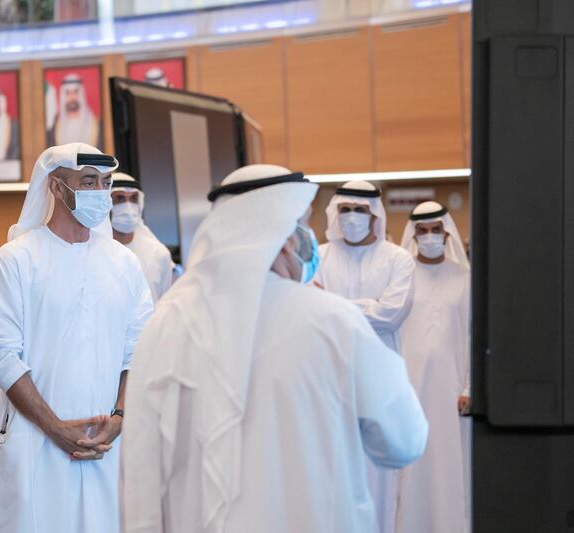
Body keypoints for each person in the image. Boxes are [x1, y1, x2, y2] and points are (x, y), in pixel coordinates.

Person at [121, 165, 428, 533]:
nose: (308, 240)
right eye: (304, 226)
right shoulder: (332, 320)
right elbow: (404, 440)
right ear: (283, 237)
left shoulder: (165, 324)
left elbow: (139, 476)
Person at [0, 143, 154, 533]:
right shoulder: (15, 260)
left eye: (105, 182)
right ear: (57, 188)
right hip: (36, 441)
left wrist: (120, 417)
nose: (101, 192)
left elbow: (139, 349)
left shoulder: (123, 263)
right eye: (88, 181)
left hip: (107, 444)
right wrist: (57, 429)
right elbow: (1, 356)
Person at [313, 180, 415, 533]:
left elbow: (392, 314)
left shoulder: (398, 259)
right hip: (327, 382)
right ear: (334, 212)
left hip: (379, 384)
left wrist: (331, 303)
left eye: (361, 210)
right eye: (345, 209)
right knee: (330, 477)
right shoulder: (318, 254)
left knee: (380, 483)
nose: (353, 217)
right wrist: (362, 307)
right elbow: (307, 310)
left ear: (376, 215)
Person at [396, 201, 471, 533]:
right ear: (413, 235)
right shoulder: (400, 277)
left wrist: (469, 388)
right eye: (422, 232)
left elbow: (473, 335)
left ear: (446, 233)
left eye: (435, 231)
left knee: (450, 472)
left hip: (452, 396)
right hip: (409, 391)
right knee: (412, 474)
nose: (428, 237)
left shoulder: (465, 278)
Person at [110, 173, 174, 303]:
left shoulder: (159, 254)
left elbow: (164, 304)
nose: (128, 206)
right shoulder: (91, 252)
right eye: (120, 199)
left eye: (133, 199)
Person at [47, 74, 100, 147]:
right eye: (68, 93)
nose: (72, 97)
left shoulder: (96, 123)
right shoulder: (54, 126)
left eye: (75, 92)